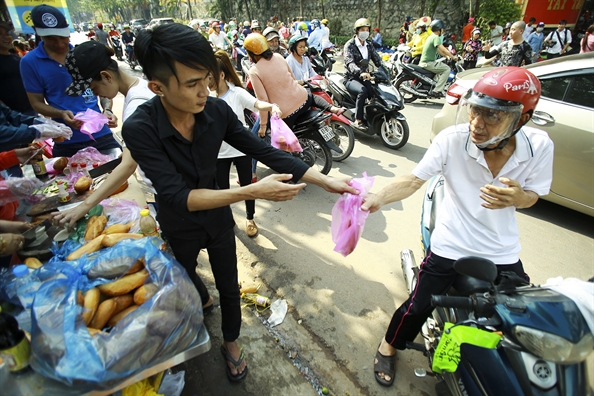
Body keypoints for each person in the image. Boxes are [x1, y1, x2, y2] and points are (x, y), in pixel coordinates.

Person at [121, 23, 357, 382]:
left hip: (216, 217)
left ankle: (230, 342)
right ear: (157, 88)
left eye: (207, 78)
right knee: (184, 279)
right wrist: (251, 191)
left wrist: (325, 180)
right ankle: (197, 306)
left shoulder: (216, 112)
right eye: (191, 84)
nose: (206, 90)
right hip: (178, 222)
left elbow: (263, 150)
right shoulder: (140, 128)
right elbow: (177, 197)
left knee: (230, 286)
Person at [363, 66, 553, 387]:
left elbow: (534, 195)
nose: (477, 124)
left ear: (522, 118)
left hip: (502, 249)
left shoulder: (540, 146)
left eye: (492, 116)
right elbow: (413, 180)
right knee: (417, 306)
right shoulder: (453, 140)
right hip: (451, 243)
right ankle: (388, 346)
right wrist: (377, 198)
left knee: (519, 317)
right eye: (475, 111)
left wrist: (519, 197)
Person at [51, 41, 157, 233]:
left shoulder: (136, 105)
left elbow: (128, 165)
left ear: (106, 76)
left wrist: (84, 206)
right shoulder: (140, 87)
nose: (93, 93)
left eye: (92, 87)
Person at [20, 5, 120, 158]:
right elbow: (36, 103)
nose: (59, 43)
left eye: (63, 37)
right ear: (37, 32)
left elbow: (103, 89)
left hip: (101, 134)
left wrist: (107, 109)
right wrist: (62, 114)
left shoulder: (83, 54)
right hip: (66, 141)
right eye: (51, 39)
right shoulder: (30, 62)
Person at [212, 50, 282, 237]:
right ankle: (227, 219)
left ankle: (250, 218)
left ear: (220, 75)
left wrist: (272, 106)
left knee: (248, 187)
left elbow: (258, 104)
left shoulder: (236, 93)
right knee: (221, 191)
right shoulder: (206, 98)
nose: (206, 79)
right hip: (218, 153)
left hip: (241, 149)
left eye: (209, 74)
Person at [343, 18, 383, 130]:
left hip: (366, 77)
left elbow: (377, 60)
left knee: (375, 92)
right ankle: (358, 120)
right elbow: (350, 63)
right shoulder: (349, 45)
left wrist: (387, 68)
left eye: (367, 29)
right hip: (351, 78)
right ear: (356, 31)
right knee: (363, 91)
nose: (365, 32)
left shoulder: (369, 45)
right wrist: (360, 73)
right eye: (362, 30)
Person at [0, 22, 36, 116]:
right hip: (10, 116)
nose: (6, 37)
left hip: (30, 111)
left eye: (7, 34)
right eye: (0, 34)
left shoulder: (16, 58)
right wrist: (7, 113)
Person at [419, 19, 457, 99]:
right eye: (442, 29)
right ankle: (437, 90)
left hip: (425, 62)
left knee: (441, 68)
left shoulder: (431, 37)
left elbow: (439, 50)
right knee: (446, 69)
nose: (443, 31)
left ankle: (433, 86)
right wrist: (453, 56)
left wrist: (446, 56)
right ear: (439, 29)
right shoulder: (435, 37)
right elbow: (442, 48)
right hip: (428, 63)